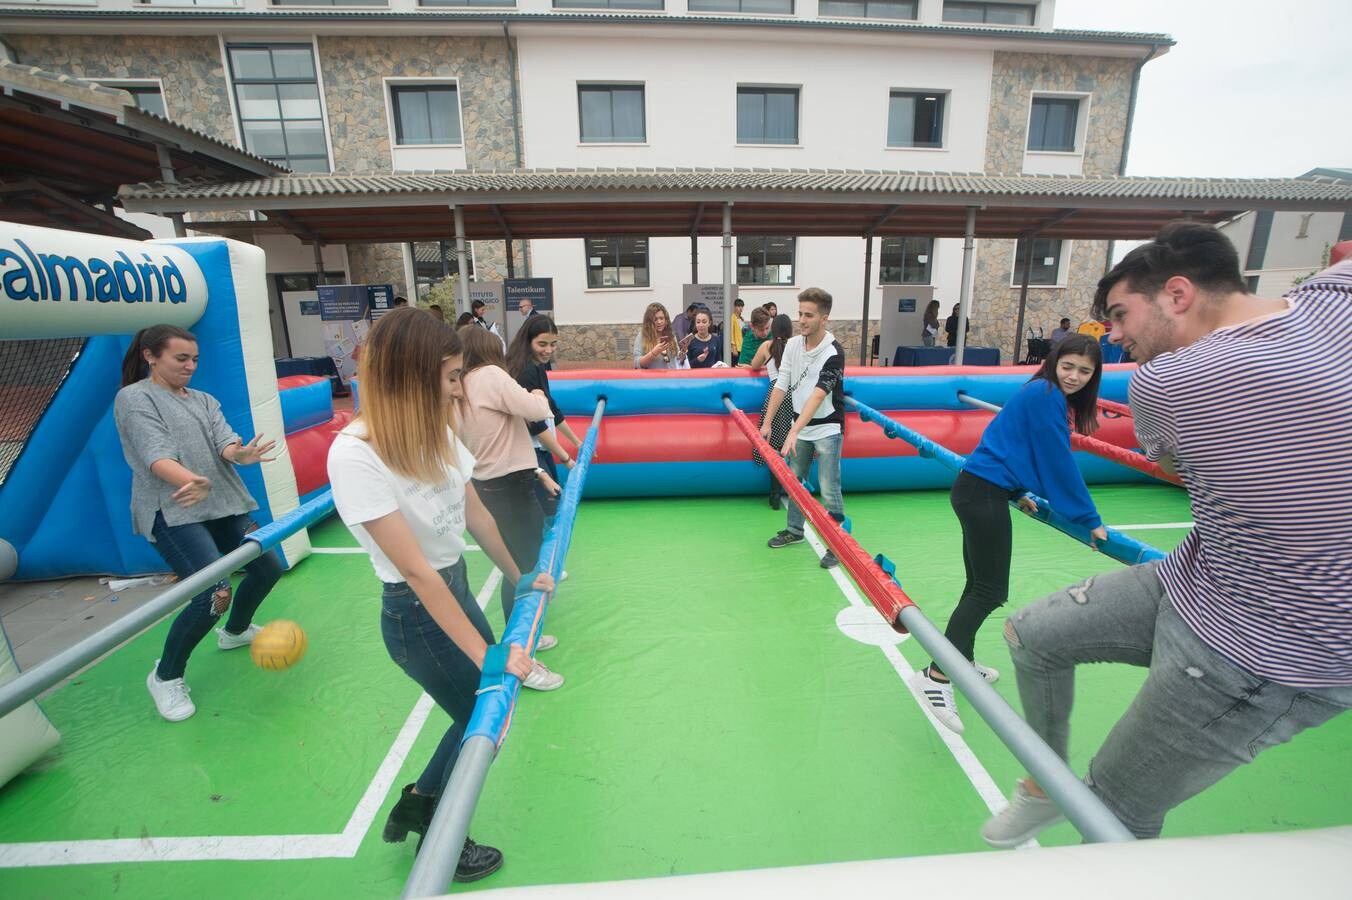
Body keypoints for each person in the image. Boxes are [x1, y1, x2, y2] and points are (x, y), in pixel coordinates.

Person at [980, 223, 1352, 847]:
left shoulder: (1170, 380)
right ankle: (1045, 784)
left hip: (1266, 651)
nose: (1116, 337)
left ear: (1177, 293)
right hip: (1197, 577)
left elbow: (1174, 465)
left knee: (1114, 813)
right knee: (1031, 635)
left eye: (1121, 316)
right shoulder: (1333, 300)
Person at [326, 308, 548, 879]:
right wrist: (488, 655)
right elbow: (419, 573)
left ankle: (418, 802)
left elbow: (475, 515)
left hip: (455, 591)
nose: (459, 390)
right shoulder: (355, 454)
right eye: (451, 377)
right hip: (415, 611)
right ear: (411, 375)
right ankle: (439, 840)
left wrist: (519, 575)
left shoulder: (437, 433)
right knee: (482, 709)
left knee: (477, 707)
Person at [910, 334, 1108, 735]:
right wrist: (1088, 517)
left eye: (1084, 371)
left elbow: (1010, 442)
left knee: (977, 585)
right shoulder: (1045, 393)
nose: (1074, 376)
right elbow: (1054, 456)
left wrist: (1018, 491)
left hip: (979, 489)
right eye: (1068, 365)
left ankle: (960, 661)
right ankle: (936, 675)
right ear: (1054, 361)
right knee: (989, 590)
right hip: (982, 493)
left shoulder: (1040, 390)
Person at [114, 325, 284, 723]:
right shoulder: (134, 398)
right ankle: (165, 675)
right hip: (172, 509)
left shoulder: (204, 399)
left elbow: (224, 441)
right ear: (151, 356)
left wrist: (239, 454)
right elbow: (156, 456)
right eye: (181, 359)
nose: (190, 366)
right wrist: (189, 479)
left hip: (221, 501)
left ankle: (236, 632)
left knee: (268, 565)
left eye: (194, 360)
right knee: (213, 595)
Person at [452, 325, 565, 692]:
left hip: (489, 483)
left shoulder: (461, 386)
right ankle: (520, 650)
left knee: (515, 564)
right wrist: (536, 393)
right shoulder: (491, 376)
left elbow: (494, 438)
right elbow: (536, 410)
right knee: (522, 567)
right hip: (508, 486)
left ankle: (525, 636)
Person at [760, 288, 845, 570]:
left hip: (826, 427)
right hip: (800, 423)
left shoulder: (834, 352)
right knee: (794, 481)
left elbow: (819, 394)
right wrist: (768, 423)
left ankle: (837, 546)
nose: (802, 320)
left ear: (824, 318)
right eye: (800, 314)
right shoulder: (794, 345)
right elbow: (781, 383)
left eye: (809, 315)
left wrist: (793, 431)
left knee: (829, 489)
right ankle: (795, 531)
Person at [506, 315, 583, 518]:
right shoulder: (525, 371)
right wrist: (566, 458)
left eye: (553, 344)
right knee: (547, 507)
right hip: (529, 450)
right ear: (528, 341)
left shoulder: (537, 366)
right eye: (542, 344)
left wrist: (577, 441)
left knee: (552, 504)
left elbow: (551, 408)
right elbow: (536, 425)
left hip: (539, 448)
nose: (548, 350)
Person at [749, 313, 795, 509]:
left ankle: (774, 494)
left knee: (773, 444)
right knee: (793, 442)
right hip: (795, 395)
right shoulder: (796, 346)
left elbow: (753, 366)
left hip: (775, 396)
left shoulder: (766, 346)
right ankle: (795, 491)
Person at [634, 302, 689, 369]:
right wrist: (654, 353)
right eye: (655, 319)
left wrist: (683, 351)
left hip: (671, 377)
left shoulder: (670, 334)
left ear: (666, 319)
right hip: (653, 378)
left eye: (661, 318)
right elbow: (637, 363)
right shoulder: (642, 336)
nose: (659, 322)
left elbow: (677, 359)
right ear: (649, 321)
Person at [729, 298, 746, 362]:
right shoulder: (732, 317)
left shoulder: (741, 319)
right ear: (735, 307)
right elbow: (731, 333)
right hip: (737, 347)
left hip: (742, 346)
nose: (741, 308)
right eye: (738, 306)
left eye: (742, 306)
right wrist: (733, 347)